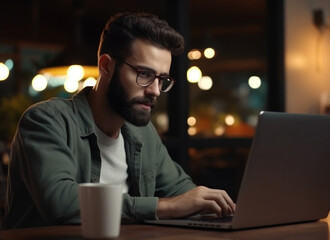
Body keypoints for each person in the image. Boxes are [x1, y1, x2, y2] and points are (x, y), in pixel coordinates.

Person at [2, 12, 236, 229]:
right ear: (106, 66)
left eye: (162, 79)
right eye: (144, 74)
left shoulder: (143, 133)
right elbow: (61, 204)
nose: (155, 90)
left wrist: (213, 205)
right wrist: (167, 207)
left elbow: (183, 192)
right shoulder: (46, 121)